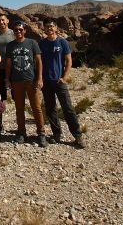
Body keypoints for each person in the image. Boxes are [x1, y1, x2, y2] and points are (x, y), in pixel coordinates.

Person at [39, 21, 85, 149]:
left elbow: (69, 60)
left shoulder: (62, 42)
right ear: (44, 28)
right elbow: (38, 61)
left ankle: (77, 135)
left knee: (68, 108)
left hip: (59, 81)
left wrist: (65, 77)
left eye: (52, 26)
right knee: (50, 109)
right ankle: (56, 134)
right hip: (46, 81)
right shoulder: (42, 43)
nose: (49, 28)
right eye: (47, 26)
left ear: (56, 28)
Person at [4, 20, 46, 146]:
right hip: (16, 81)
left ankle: (41, 133)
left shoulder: (32, 43)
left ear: (25, 31)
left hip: (31, 80)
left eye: (20, 29)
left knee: (36, 108)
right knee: (19, 108)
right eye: (16, 30)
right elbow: (9, 64)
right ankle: (21, 133)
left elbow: (38, 61)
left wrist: (39, 78)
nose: (18, 32)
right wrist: (7, 79)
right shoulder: (10, 45)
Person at [0, 13, 14, 137]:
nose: (1, 22)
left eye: (3, 20)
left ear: (7, 21)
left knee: (18, 98)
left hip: (14, 70)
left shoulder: (14, 33)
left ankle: (20, 128)